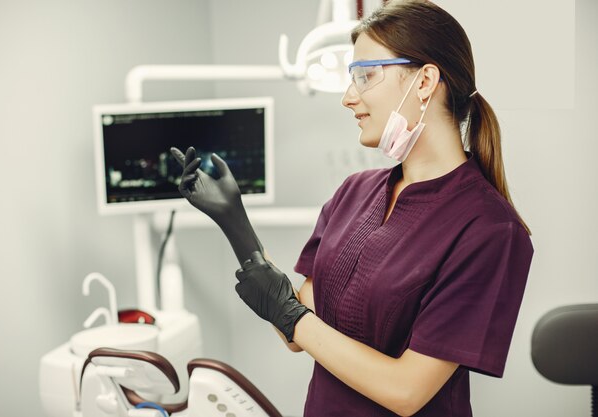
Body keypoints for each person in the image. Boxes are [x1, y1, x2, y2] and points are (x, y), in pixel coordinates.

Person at [170, 1, 534, 415]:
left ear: (425, 81)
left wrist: (291, 316)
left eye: (365, 76)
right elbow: (296, 330)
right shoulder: (353, 193)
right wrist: (235, 222)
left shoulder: (489, 229)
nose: (348, 97)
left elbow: (407, 392)